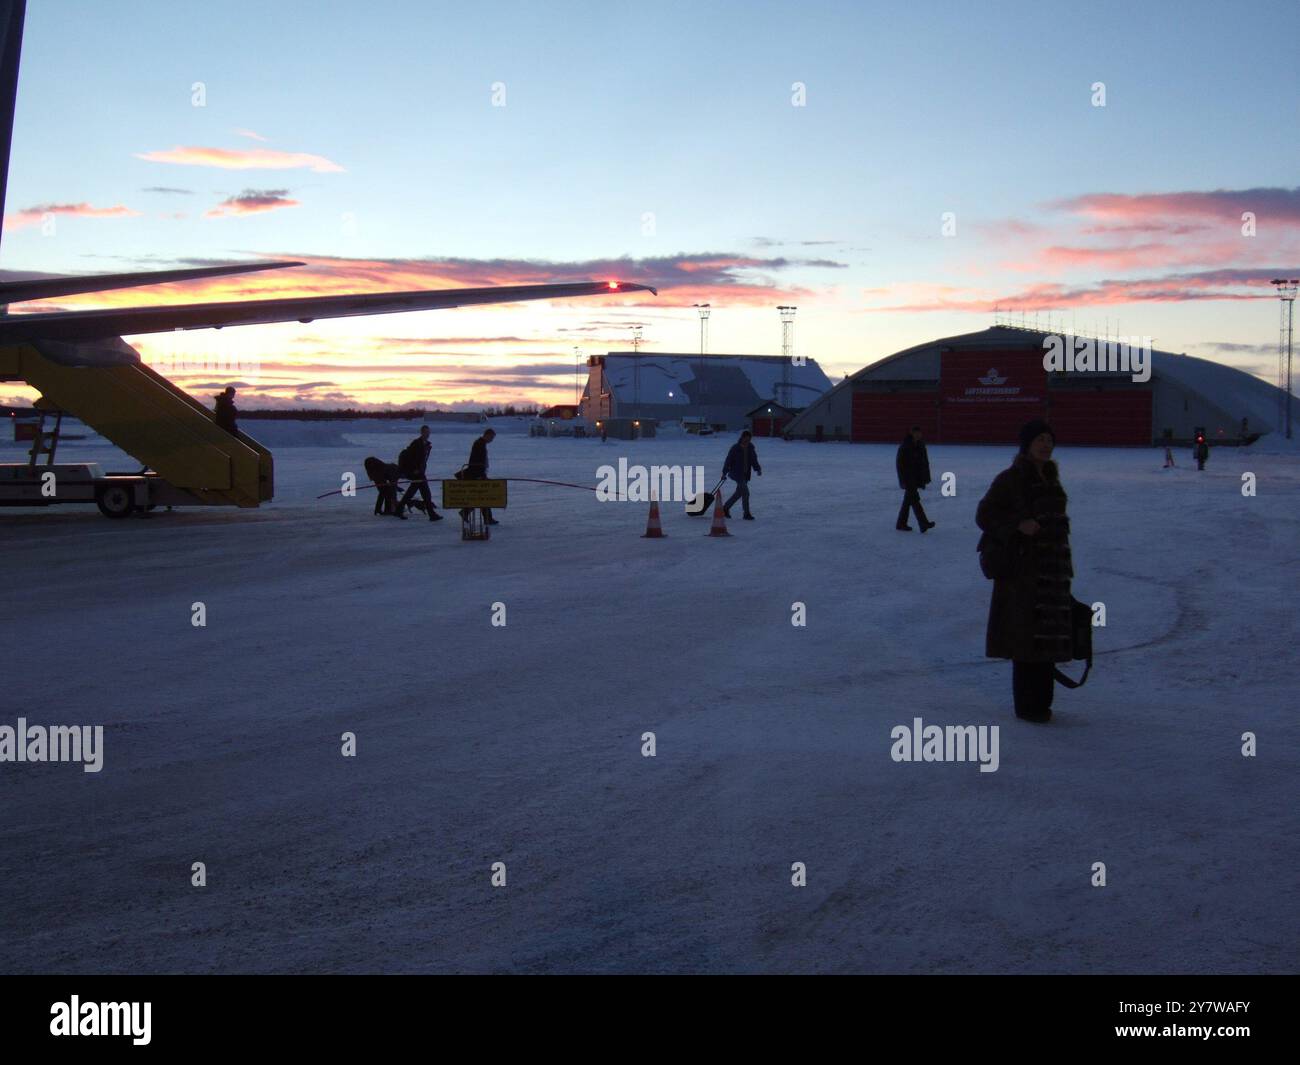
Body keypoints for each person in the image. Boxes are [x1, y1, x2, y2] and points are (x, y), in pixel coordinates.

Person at [975, 419, 1073, 724]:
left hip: (1053, 569)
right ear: (1026, 445)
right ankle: (1028, 706)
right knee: (1025, 637)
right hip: (1023, 572)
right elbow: (984, 514)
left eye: (1049, 439)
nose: (1045, 445)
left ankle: (1043, 703)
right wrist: (1018, 525)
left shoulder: (1051, 478)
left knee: (1046, 638)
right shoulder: (1011, 478)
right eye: (1039, 440)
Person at [396, 425, 443, 521]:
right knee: (424, 493)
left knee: (417, 492)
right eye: (425, 432)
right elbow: (411, 458)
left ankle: (399, 509)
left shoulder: (426, 444)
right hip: (416, 473)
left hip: (420, 472)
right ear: (422, 432)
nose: (427, 434)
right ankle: (431, 514)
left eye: (428, 432)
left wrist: (421, 468)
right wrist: (415, 469)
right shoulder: (416, 443)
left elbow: (423, 460)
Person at [895, 426, 935, 532]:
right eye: (916, 433)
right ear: (911, 433)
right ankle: (923, 523)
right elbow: (900, 464)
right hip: (908, 478)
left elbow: (925, 463)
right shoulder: (905, 446)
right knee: (915, 500)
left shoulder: (921, 445)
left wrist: (926, 477)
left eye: (919, 433)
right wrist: (903, 480)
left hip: (916, 477)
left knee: (908, 501)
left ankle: (901, 523)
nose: (918, 435)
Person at [459, 427, 498, 525]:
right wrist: (480, 475)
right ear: (487, 435)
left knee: (481, 496)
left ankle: (467, 512)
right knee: (482, 496)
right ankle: (468, 512)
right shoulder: (479, 444)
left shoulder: (481, 443)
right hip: (477, 474)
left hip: (478, 473)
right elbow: (476, 461)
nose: (492, 440)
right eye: (491, 438)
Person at [721, 429, 762, 519]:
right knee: (746, 493)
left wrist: (757, 469)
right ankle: (746, 514)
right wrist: (724, 472)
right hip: (737, 474)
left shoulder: (751, 448)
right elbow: (728, 461)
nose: (747, 441)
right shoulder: (735, 448)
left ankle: (725, 508)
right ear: (742, 438)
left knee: (739, 493)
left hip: (745, 474)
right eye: (746, 439)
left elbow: (754, 460)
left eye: (749, 439)